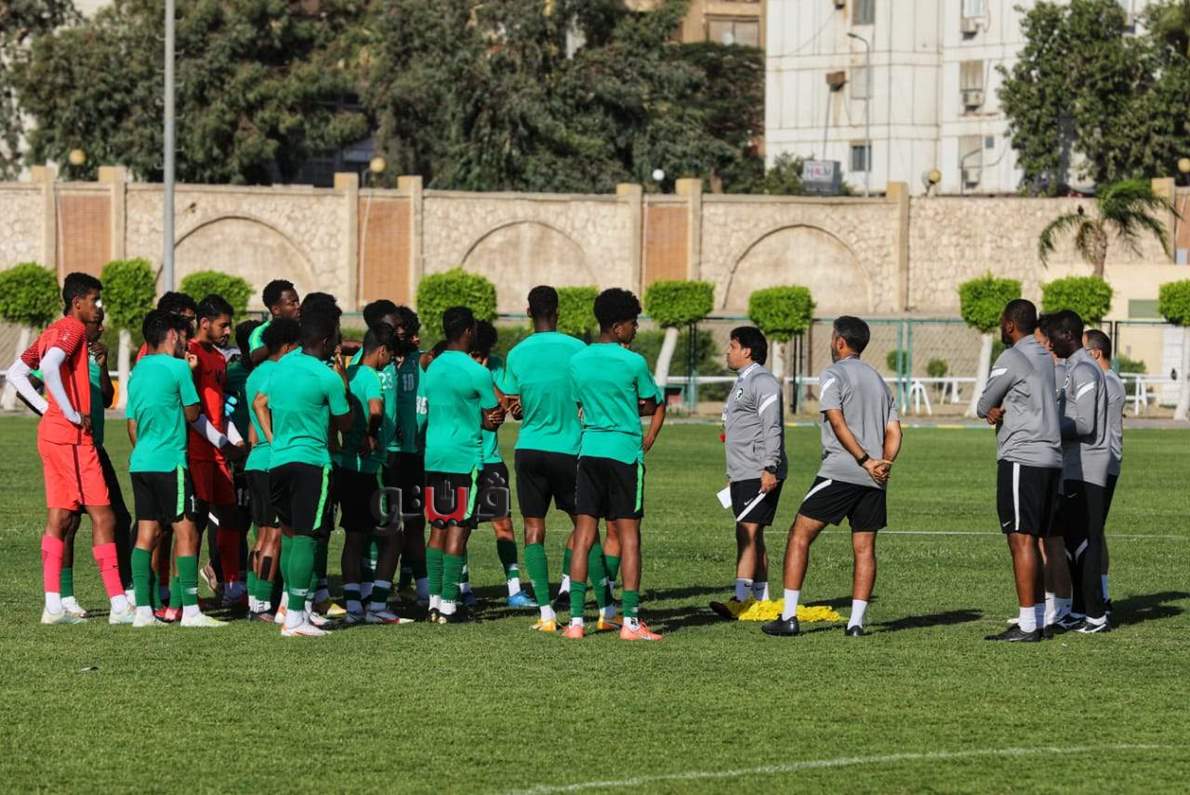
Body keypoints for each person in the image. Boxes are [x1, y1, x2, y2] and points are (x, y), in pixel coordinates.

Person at [763, 316, 901, 639]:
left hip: (841, 471)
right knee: (864, 548)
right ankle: (856, 624)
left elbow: (837, 423)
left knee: (799, 535)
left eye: (831, 338)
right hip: (874, 479)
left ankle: (789, 616)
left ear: (840, 342)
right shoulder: (880, 381)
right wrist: (883, 463)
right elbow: (895, 431)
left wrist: (865, 461)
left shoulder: (833, 374)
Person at [15, 273, 131, 624]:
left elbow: (18, 373)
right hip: (72, 438)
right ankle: (119, 605)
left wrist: (49, 410)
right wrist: (68, 412)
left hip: (54, 435)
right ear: (77, 302)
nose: (98, 307)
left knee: (62, 516)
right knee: (105, 516)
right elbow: (49, 367)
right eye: (95, 300)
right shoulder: (73, 329)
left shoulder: (51, 330)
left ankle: (54, 605)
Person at [565, 288, 666, 641]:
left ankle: (575, 622)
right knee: (629, 537)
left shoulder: (577, 360)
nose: (636, 328)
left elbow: (578, 403)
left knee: (583, 535)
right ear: (617, 326)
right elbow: (650, 404)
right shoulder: (633, 362)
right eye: (633, 322)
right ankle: (631, 623)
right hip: (623, 453)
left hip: (589, 451)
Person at [126, 310, 226, 628]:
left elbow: (132, 423)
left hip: (141, 462)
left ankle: (143, 611)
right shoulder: (179, 367)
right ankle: (192, 612)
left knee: (146, 533)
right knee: (187, 531)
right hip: (171, 462)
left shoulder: (138, 371)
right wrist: (191, 374)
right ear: (172, 335)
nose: (185, 342)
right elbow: (193, 413)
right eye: (183, 336)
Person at [261, 307, 352, 638]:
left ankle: (290, 609)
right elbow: (345, 423)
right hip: (312, 463)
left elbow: (263, 402)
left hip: (278, 461)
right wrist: (344, 382)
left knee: (289, 534)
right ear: (326, 341)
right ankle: (296, 618)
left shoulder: (280, 367)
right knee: (307, 537)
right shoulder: (326, 376)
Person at [502, 286, 588, 631]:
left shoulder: (516, 353)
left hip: (530, 449)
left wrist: (521, 407)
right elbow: (586, 396)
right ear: (558, 312)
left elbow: (513, 404)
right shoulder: (578, 349)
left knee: (533, 528)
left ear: (528, 312)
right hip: (569, 448)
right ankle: (579, 600)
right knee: (584, 525)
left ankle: (545, 613)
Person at [976, 300, 1063, 643]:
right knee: (1035, 537)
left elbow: (984, 403)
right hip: (1051, 458)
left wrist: (993, 409)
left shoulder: (1011, 357)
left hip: (1022, 456)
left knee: (1020, 538)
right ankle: (1038, 619)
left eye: (1002, 321)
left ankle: (1027, 625)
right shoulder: (1045, 356)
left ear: (1010, 324)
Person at [417, 306, 505, 624]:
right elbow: (492, 417)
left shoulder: (433, 367)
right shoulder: (477, 372)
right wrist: (491, 418)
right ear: (468, 331)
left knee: (437, 526)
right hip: (464, 457)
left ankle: (434, 602)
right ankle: (449, 606)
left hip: (434, 456)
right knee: (459, 526)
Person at [710, 326, 786, 620]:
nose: (727, 352)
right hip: (743, 472)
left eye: (732, 346)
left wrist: (770, 467)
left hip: (759, 471)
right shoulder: (743, 381)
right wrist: (733, 473)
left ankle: (739, 599)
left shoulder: (763, 381)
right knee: (752, 534)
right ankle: (762, 598)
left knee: (747, 532)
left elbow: (771, 426)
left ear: (747, 351)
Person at [336, 323, 408, 625]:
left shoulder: (349, 373)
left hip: (346, 466)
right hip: (371, 469)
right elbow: (376, 410)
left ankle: (353, 606)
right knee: (394, 536)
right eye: (389, 355)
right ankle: (377, 605)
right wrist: (371, 434)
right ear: (381, 350)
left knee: (354, 538)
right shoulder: (371, 377)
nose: (389, 361)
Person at [1048, 310, 1111, 633]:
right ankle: (1079, 609)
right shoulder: (1073, 368)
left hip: (1088, 468)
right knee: (1073, 542)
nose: (1049, 344)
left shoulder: (1085, 370)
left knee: (1086, 542)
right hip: (1072, 466)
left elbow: (1085, 424)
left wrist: (1046, 428)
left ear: (1067, 335)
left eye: (1052, 338)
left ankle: (1096, 615)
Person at [469, 320, 535, 609]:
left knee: (504, 525)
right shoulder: (455, 367)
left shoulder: (494, 365)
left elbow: (506, 405)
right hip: (461, 460)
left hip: (491, 459)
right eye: (475, 355)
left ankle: (514, 589)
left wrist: (485, 375)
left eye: (484, 354)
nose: (481, 360)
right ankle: (462, 588)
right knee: (459, 528)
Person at [187, 295, 247, 606]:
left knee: (230, 517)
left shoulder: (220, 359)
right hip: (197, 451)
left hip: (219, 452)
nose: (227, 331)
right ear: (204, 323)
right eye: (223, 325)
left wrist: (235, 440)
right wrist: (223, 442)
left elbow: (218, 410)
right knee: (193, 524)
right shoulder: (189, 354)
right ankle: (184, 595)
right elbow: (192, 413)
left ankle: (231, 585)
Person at [244, 317, 301, 622]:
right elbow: (261, 405)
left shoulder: (255, 373)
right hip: (272, 460)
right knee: (275, 536)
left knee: (262, 534)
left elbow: (251, 427)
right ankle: (264, 604)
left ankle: (255, 600)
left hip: (255, 461)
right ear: (289, 346)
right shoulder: (280, 373)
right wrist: (275, 441)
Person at [388, 305, 429, 606]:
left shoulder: (423, 361)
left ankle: (422, 588)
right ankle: (376, 589)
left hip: (414, 455)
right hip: (385, 456)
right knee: (385, 523)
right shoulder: (379, 363)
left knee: (414, 522)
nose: (399, 335)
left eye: (403, 330)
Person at [1084, 328, 1123, 610]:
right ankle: (1102, 593)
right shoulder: (1109, 380)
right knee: (1095, 530)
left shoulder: (1106, 382)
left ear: (1096, 353)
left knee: (1092, 531)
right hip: (1106, 462)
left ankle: (1098, 596)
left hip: (1103, 463)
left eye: (1083, 351)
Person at [248, 280, 301, 365]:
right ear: (275, 310)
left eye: (298, 301)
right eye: (292, 303)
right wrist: (278, 342)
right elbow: (254, 357)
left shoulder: (304, 327)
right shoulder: (260, 332)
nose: (298, 306)